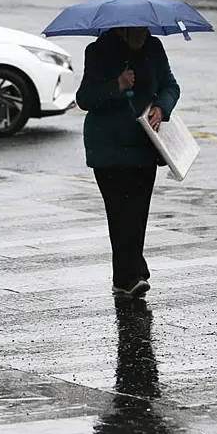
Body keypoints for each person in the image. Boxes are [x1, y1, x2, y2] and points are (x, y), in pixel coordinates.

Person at [75, 27, 180, 299]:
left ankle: (127, 277)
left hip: (144, 144)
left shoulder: (154, 48)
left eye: (145, 29)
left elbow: (170, 86)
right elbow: (84, 98)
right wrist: (117, 85)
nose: (143, 35)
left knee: (138, 212)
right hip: (107, 148)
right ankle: (132, 275)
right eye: (137, 30)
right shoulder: (98, 51)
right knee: (120, 212)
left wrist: (161, 108)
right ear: (122, 30)